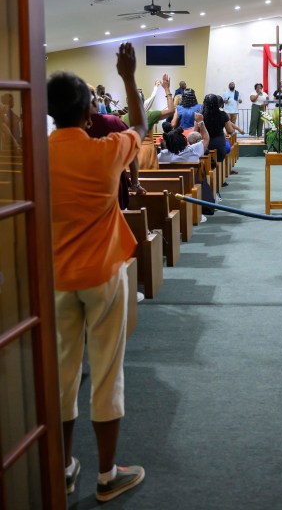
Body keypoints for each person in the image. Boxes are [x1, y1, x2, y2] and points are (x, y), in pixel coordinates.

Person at [47, 42, 147, 502]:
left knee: (64, 374)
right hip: (103, 273)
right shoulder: (105, 151)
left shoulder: (36, 157)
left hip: (55, 277)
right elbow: (140, 127)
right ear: (90, 112)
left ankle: (64, 466)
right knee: (106, 372)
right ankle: (107, 476)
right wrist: (127, 78)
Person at [86, 85, 146, 209]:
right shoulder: (112, 122)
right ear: (94, 102)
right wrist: (135, 183)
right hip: (112, 186)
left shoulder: (67, 128)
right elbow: (133, 152)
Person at [122, 74, 175, 169]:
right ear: (143, 102)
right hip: (147, 152)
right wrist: (167, 89)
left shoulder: (123, 118)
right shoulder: (149, 115)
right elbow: (171, 110)